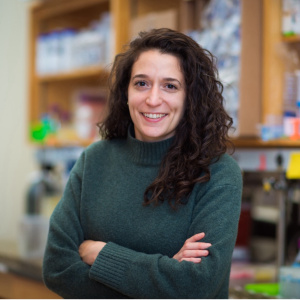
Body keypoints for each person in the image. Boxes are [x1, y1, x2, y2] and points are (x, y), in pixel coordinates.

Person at [42, 28, 242, 299]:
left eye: (170, 86)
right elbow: (57, 269)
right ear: (126, 92)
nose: (153, 99)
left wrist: (99, 255)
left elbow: (197, 286)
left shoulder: (217, 173)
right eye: (141, 83)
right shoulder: (94, 161)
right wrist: (165, 274)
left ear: (189, 98)